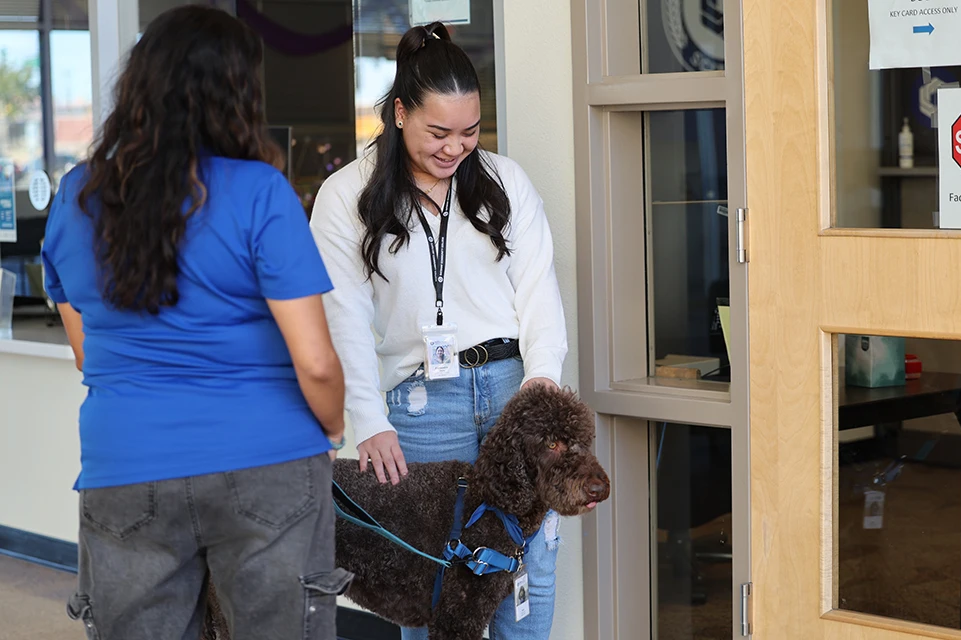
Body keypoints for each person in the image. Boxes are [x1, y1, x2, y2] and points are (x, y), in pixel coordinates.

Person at [40, 7, 349, 639]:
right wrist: (335, 426)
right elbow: (315, 360)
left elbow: (83, 352)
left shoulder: (76, 198)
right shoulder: (260, 191)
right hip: (270, 459)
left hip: (126, 463)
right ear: (236, 93)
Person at [310, 22, 567, 640]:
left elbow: (538, 294)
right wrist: (368, 418)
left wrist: (541, 391)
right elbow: (341, 317)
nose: (457, 148)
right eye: (439, 132)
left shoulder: (504, 183)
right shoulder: (346, 196)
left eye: (471, 131)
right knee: (432, 582)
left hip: (514, 393)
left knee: (530, 568)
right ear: (399, 112)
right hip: (420, 407)